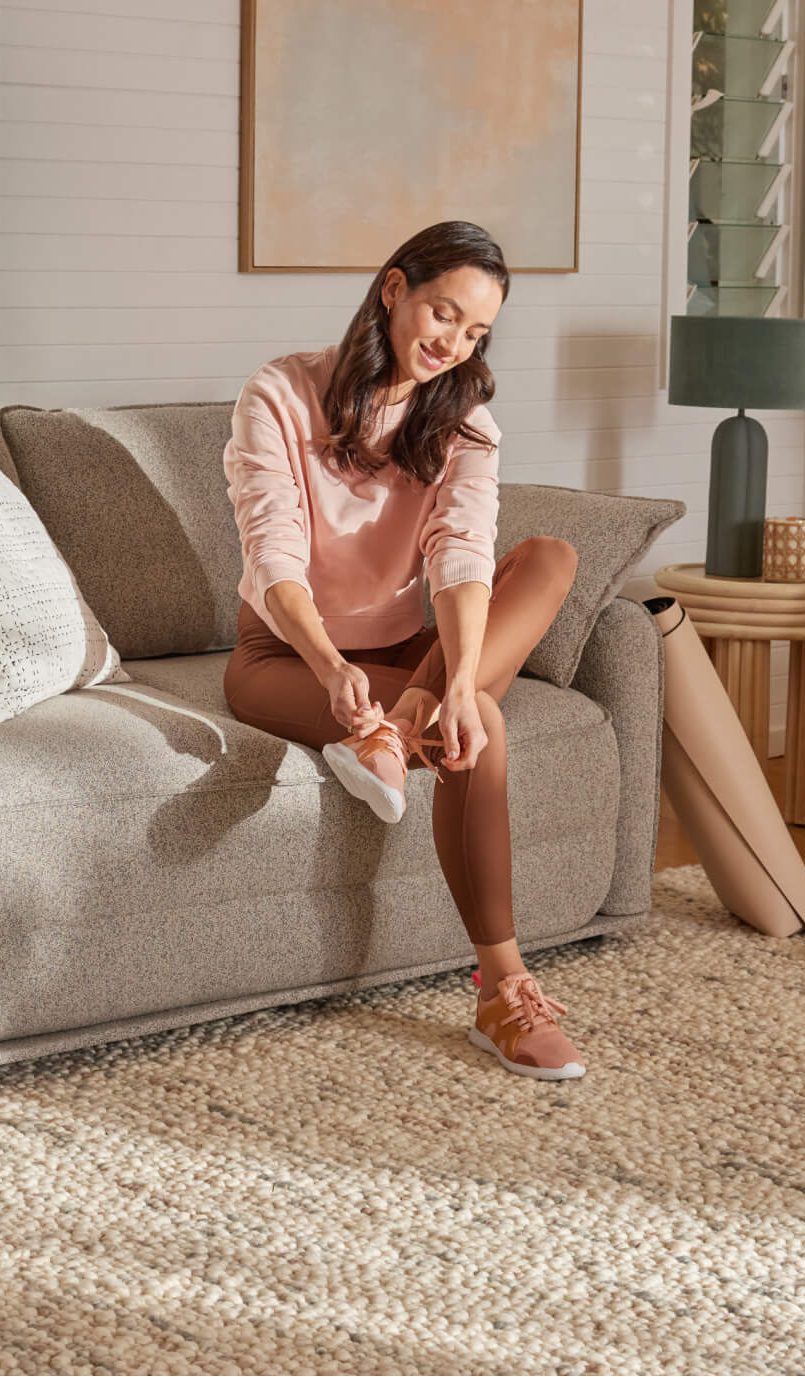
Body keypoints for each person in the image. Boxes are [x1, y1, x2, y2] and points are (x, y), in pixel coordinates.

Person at [220, 220, 585, 1080]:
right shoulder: (279, 392)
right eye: (440, 313)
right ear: (392, 290)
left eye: (475, 332)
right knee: (486, 726)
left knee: (547, 560)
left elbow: (460, 555)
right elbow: (272, 551)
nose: (451, 343)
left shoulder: (464, 418)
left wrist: (452, 681)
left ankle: (410, 720)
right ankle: (503, 991)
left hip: (403, 653)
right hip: (284, 657)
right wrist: (329, 666)